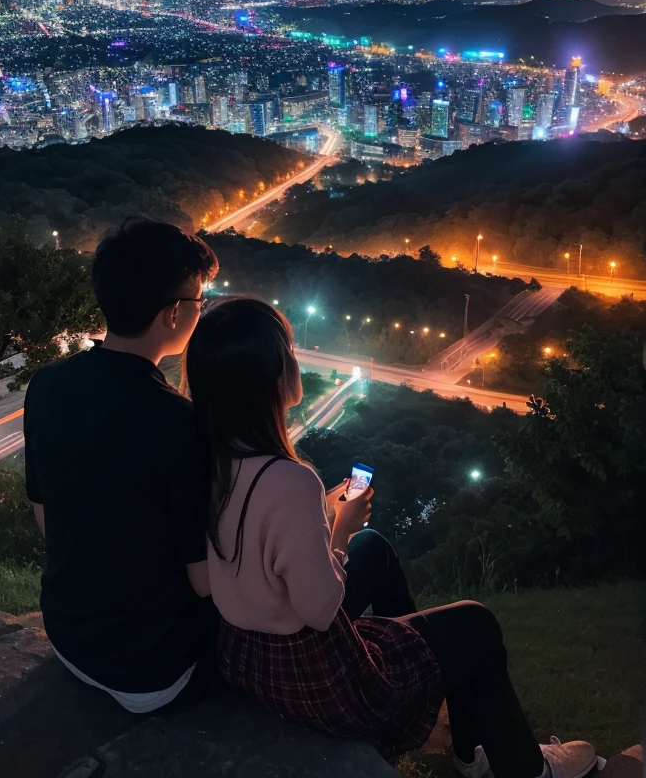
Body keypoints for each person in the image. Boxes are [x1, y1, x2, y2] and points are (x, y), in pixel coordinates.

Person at [185, 298, 601, 778]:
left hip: (246, 655)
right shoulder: (288, 479)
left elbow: (253, 540)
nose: (297, 360)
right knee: (477, 625)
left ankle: (442, 699)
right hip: (306, 672)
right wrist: (339, 528)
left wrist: (320, 515)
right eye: (291, 351)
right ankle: (522, 768)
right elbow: (321, 610)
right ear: (269, 377)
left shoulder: (209, 459)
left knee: (375, 549)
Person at [24, 218, 218, 712]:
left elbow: (47, 519)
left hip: (67, 639)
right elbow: (204, 582)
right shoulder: (179, 423)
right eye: (199, 302)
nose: (202, 312)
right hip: (149, 672)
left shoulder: (45, 387)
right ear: (174, 315)